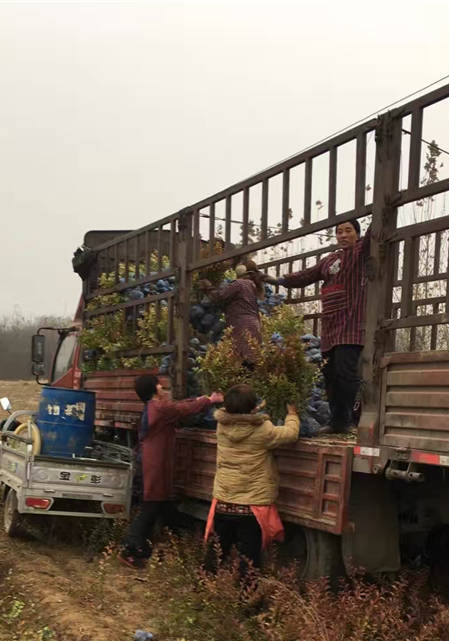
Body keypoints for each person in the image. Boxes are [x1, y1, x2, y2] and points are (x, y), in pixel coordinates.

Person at [120, 375, 223, 569]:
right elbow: (182, 409)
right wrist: (209, 400)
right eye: (159, 384)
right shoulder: (159, 407)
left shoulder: (154, 407)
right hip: (154, 466)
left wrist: (201, 399)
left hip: (151, 464)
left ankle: (148, 549)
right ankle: (130, 549)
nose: (162, 387)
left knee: (160, 508)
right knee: (150, 508)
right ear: (154, 389)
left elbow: (178, 406)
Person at [281, 219, 371, 434]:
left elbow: (374, 234)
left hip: (351, 325)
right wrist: (279, 281)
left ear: (357, 234)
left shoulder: (360, 252)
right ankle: (336, 422)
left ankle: (349, 421)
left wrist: (379, 211)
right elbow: (305, 275)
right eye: (339, 232)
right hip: (330, 328)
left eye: (348, 231)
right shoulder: (329, 260)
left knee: (346, 373)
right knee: (330, 375)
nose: (343, 235)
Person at [204, 384, 300, 576]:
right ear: (253, 407)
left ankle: (204, 586)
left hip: (224, 500)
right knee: (249, 560)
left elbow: (241, 416)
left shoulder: (222, 426)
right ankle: (246, 594)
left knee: (217, 553)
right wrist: (292, 414)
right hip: (252, 507)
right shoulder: (263, 430)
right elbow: (291, 434)